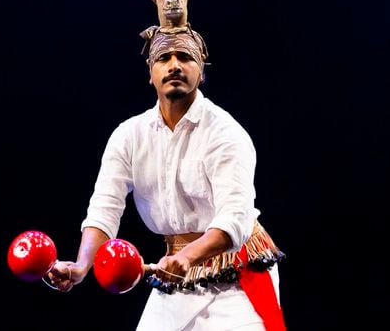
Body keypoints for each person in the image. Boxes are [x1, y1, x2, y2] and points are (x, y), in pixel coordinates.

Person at [46, 23, 286, 330]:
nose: (174, 65)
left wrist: (187, 257)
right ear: (150, 73)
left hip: (236, 271)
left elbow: (235, 218)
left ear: (201, 72)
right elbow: (105, 208)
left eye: (184, 57)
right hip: (176, 270)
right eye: (164, 58)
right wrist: (81, 266)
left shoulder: (225, 133)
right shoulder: (129, 136)